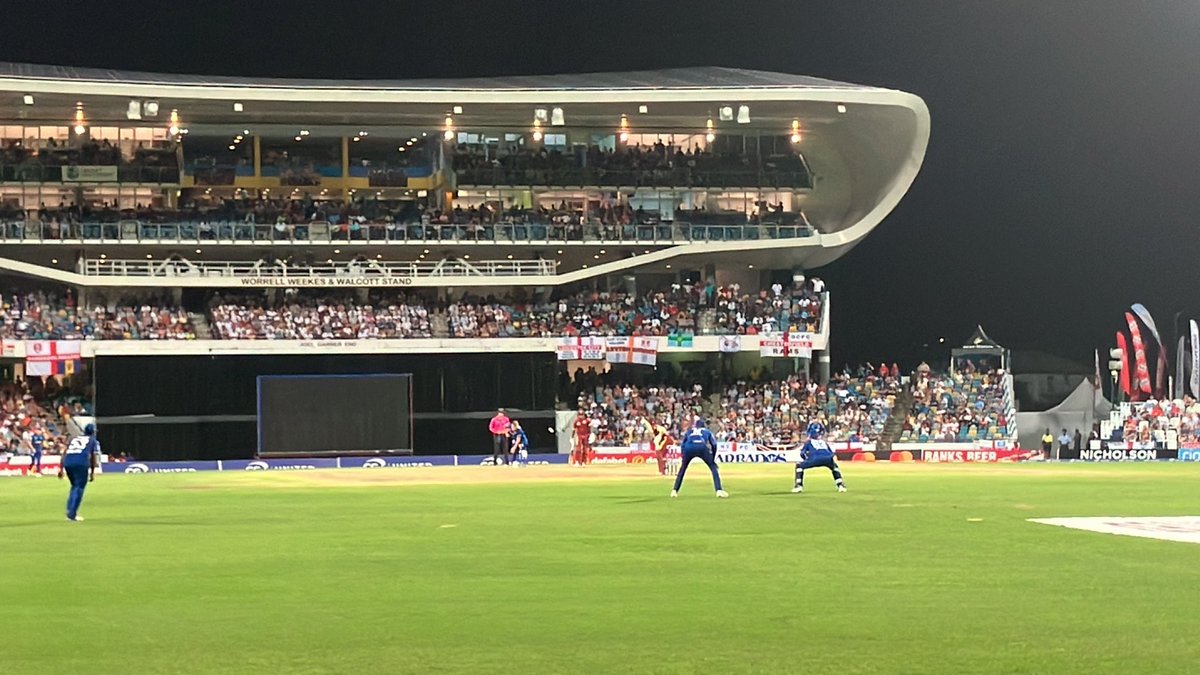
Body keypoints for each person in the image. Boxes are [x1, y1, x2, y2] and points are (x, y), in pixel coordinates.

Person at [670, 418, 727, 498]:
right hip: (702, 447)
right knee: (713, 468)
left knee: (683, 469)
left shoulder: (689, 431)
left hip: (689, 447)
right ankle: (719, 490)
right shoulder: (707, 431)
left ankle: (674, 491)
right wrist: (713, 458)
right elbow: (714, 444)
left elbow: (683, 444)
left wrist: (683, 456)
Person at [58, 423, 99, 522]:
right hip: (81, 463)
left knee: (74, 486)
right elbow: (93, 457)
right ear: (93, 432)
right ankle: (72, 514)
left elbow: (64, 453)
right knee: (80, 487)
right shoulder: (92, 440)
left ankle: (69, 510)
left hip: (68, 463)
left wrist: (61, 468)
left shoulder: (74, 439)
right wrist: (92, 472)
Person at [792, 421, 847, 493]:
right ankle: (840, 485)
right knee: (834, 466)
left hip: (815, 458)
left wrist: (807, 459)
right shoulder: (824, 442)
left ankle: (798, 486)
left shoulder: (809, 442)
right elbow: (831, 453)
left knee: (799, 466)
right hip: (827, 458)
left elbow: (802, 454)